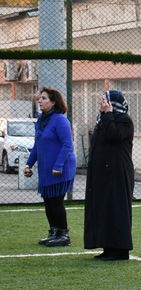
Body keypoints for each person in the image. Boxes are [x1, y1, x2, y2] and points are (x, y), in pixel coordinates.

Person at [84, 90, 134, 261]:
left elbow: (114, 136)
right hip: (103, 174)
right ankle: (108, 247)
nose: (102, 105)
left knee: (116, 209)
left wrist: (108, 114)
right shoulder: (104, 120)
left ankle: (120, 250)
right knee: (104, 208)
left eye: (105, 102)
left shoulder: (124, 120)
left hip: (117, 173)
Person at [24, 87, 76, 247]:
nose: (39, 100)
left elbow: (67, 145)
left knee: (55, 201)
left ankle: (63, 235)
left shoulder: (60, 120)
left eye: (44, 98)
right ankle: (54, 232)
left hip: (60, 167)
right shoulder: (41, 120)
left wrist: (58, 165)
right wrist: (29, 164)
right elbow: (37, 145)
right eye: (39, 98)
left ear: (53, 102)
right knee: (48, 201)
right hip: (46, 168)